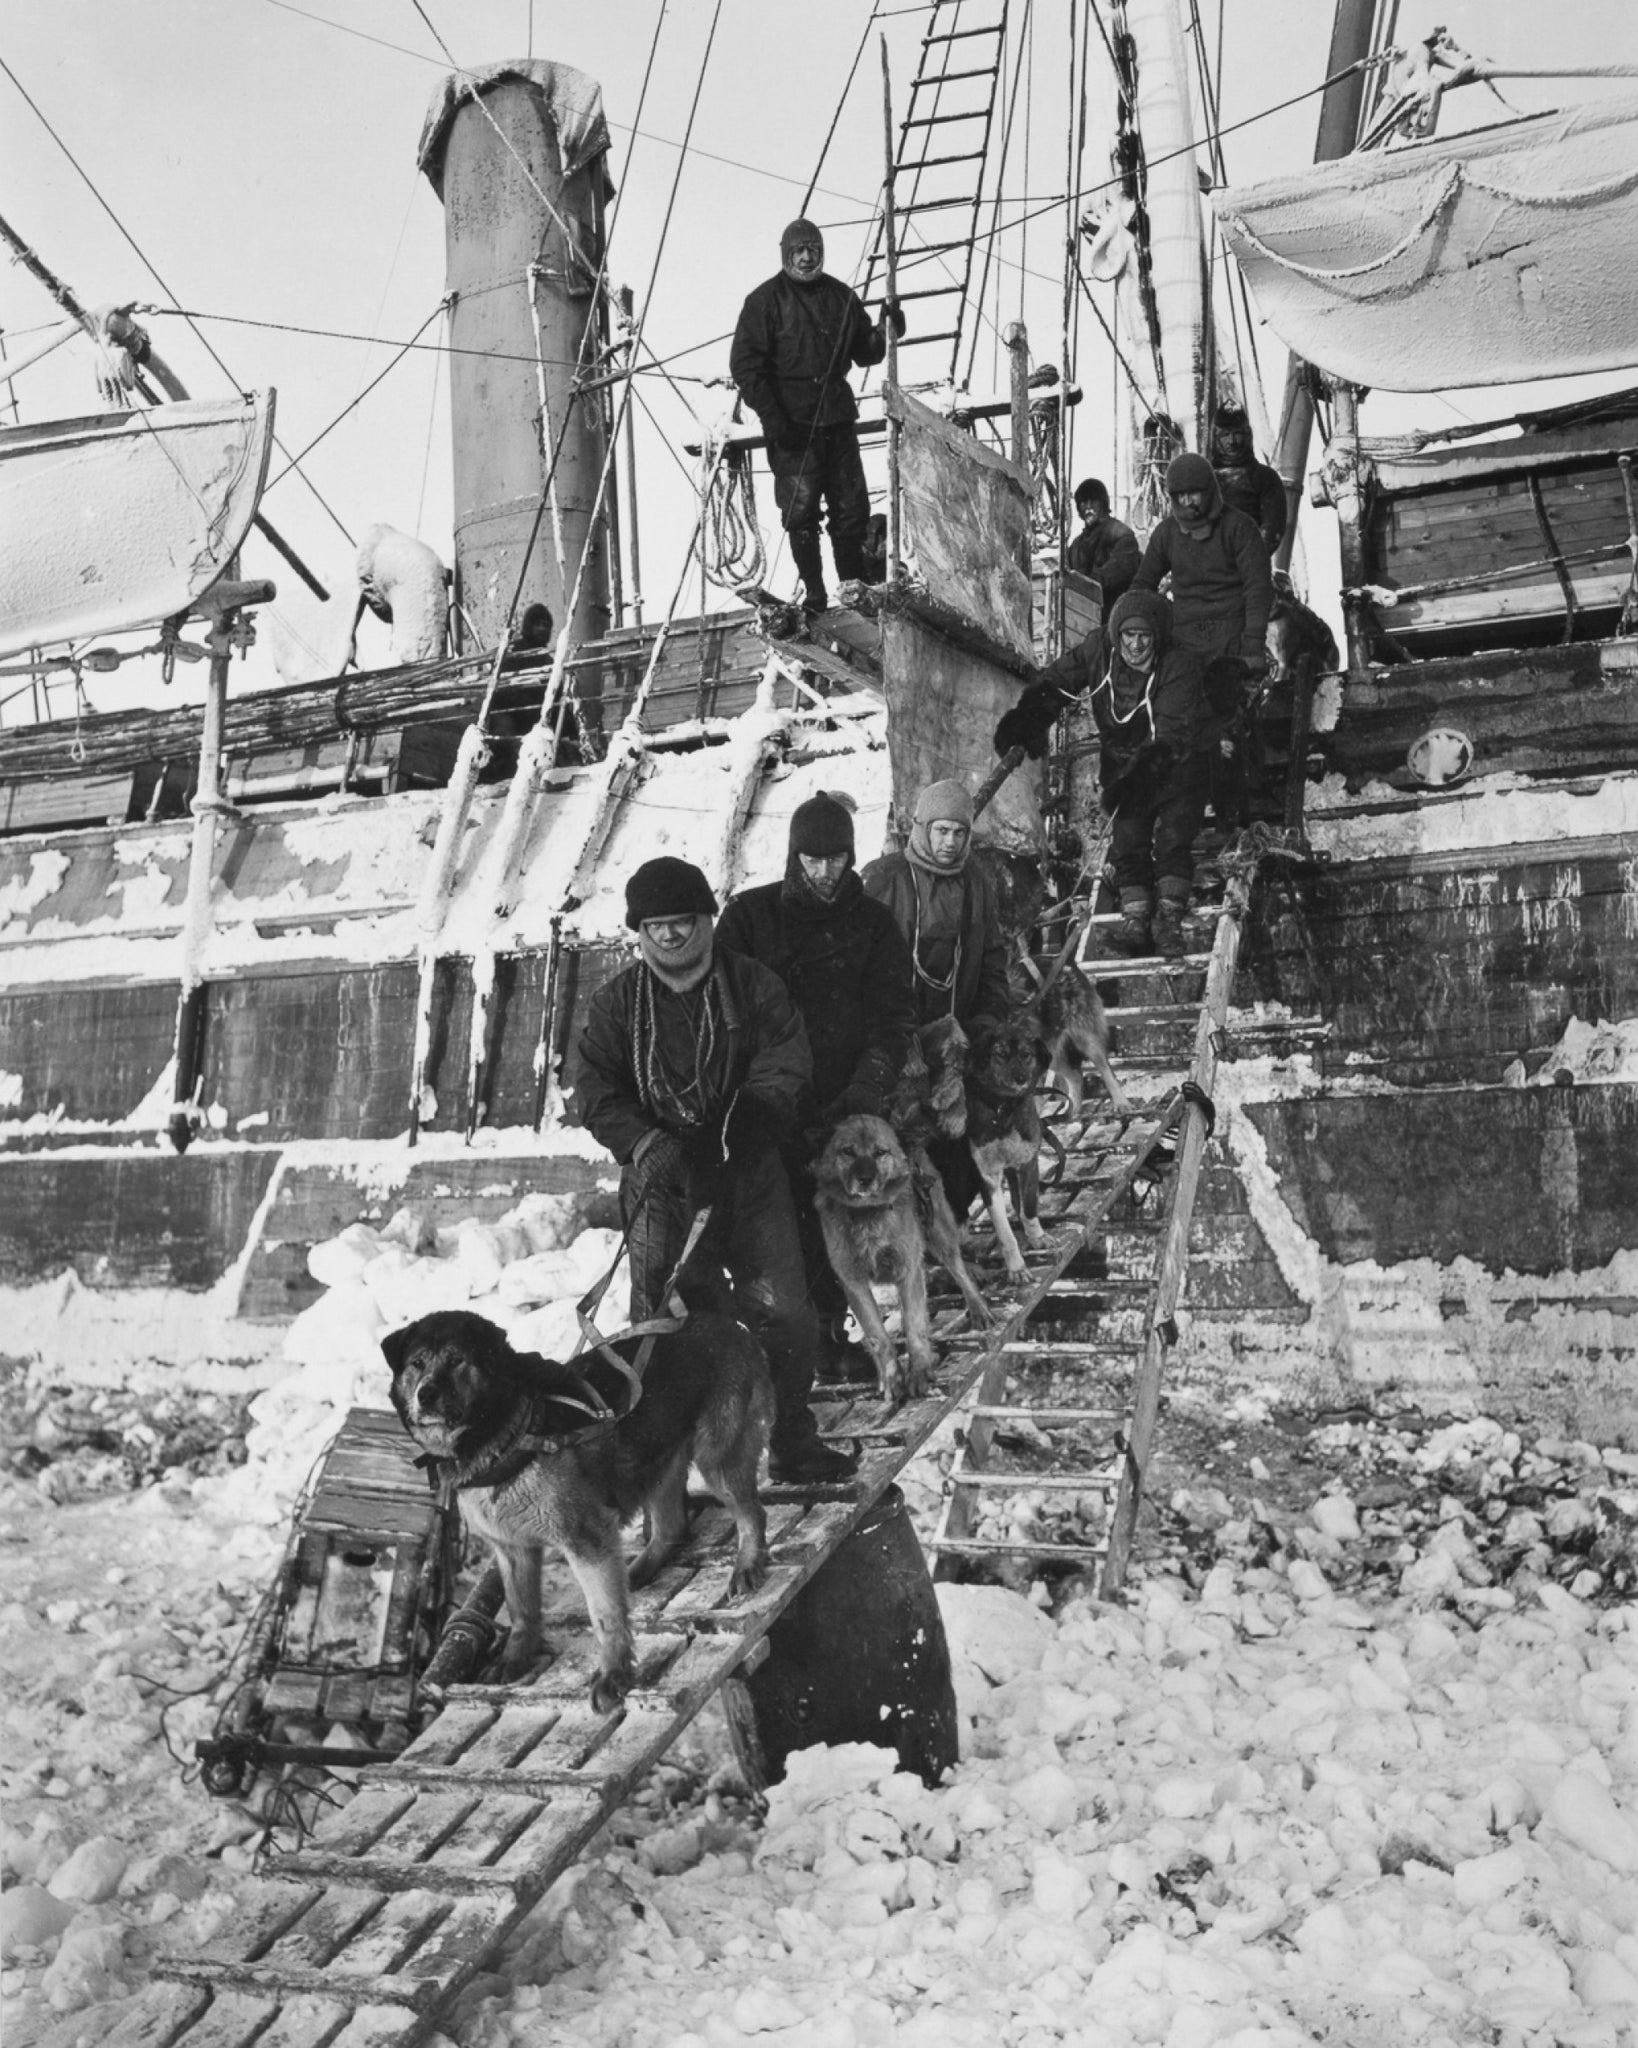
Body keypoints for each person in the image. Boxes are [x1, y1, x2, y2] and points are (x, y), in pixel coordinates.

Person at [573, 856, 856, 1484]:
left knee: (784, 1311)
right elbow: (593, 1089)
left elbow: (786, 1061)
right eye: (656, 926)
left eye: (682, 922)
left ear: (705, 920)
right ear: (640, 933)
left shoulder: (752, 985)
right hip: (661, 1185)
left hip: (747, 1176)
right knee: (663, 1326)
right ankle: (665, 1470)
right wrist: (646, 1141)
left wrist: (744, 1125)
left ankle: (790, 1441)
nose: (671, 936)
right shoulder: (619, 1002)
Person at [717, 792, 916, 1377]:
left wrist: (866, 1091)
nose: (824, 872)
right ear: (792, 855)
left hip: (845, 1107)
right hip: (770, 1102)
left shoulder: (873, 924)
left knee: (842, 1225)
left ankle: (832, 1336)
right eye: (812, 858)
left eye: (835, 859)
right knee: (778, 1232)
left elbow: (893, 1016)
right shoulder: (750, 917)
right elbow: (724, 1011)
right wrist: (755, 1095)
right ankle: (778, 1350)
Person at [994, 590, 1212, 959]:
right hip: (1124, 761)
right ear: (1117, 635)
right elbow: (1059, 681)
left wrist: (1137, 783)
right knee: (1128, 844)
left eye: (1145, 637)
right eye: (1129, 635)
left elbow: (1172, 735)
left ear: (1157, 637)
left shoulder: (1179, 666)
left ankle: (1169, 921)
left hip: (1175, 763)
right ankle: (1136, 922)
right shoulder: (1098, 650)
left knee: (1173, 840)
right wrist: (1029, 718)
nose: (1136, 644)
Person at [730, 218, 905, 616]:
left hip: (836, 419)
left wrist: (888, 328)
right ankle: (815, 595)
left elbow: (867, 351)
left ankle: (852, 590)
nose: (807, 257)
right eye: (799, 251)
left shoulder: (842, 297)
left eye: (814, 250)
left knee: (851, 512)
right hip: (791, 425)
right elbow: (745, 366)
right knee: (801, 513)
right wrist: (773, 418)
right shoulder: (764, 302)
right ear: (786, 255)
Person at [1210, 406, 1287, 559]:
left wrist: (1249, 564)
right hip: (1209, 566)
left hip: (1250, 564)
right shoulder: (1203, 478)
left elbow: (1272, 530)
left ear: (1248, 435)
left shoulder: (1265, 477)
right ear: (1216, 438)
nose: (1232, 441)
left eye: (1237, 433)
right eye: (1225, 435)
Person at [1064, 478, 1141, 610]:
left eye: (1093, 501)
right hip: (1082, 614)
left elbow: (1113, 575)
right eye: (1083, 502)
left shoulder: (1121, 535)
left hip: (1117, 612)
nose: (1088, 506)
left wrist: (1081, 584)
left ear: (1103, 504)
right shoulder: (1075, 546)